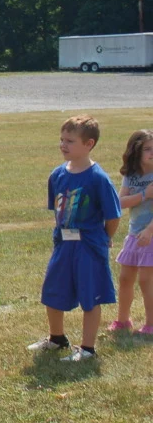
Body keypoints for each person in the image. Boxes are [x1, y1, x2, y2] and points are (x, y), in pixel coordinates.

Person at [28, 115, 121, 361]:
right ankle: (57, 338)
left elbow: (113, 216)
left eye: (70, 141)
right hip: (63, 243)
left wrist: (105, 237)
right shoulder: (57, 175)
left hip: (88, 245)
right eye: (62, 140)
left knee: (90, 295)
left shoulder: (98, 178)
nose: (63, 145)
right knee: (52, 290)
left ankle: (87, 348)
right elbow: (58, 210)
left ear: (89, 144)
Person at [109, 129, 153, 335]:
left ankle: (151, 324)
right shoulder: (131, 176)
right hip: (134, 234)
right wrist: (145, 194)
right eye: (147, 149)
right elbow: (119, 202)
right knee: (125, 278)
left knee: (146, 280)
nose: (152, 153)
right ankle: (123, 320)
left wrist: (149, 230)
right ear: (136, 151)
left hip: (150, 234)